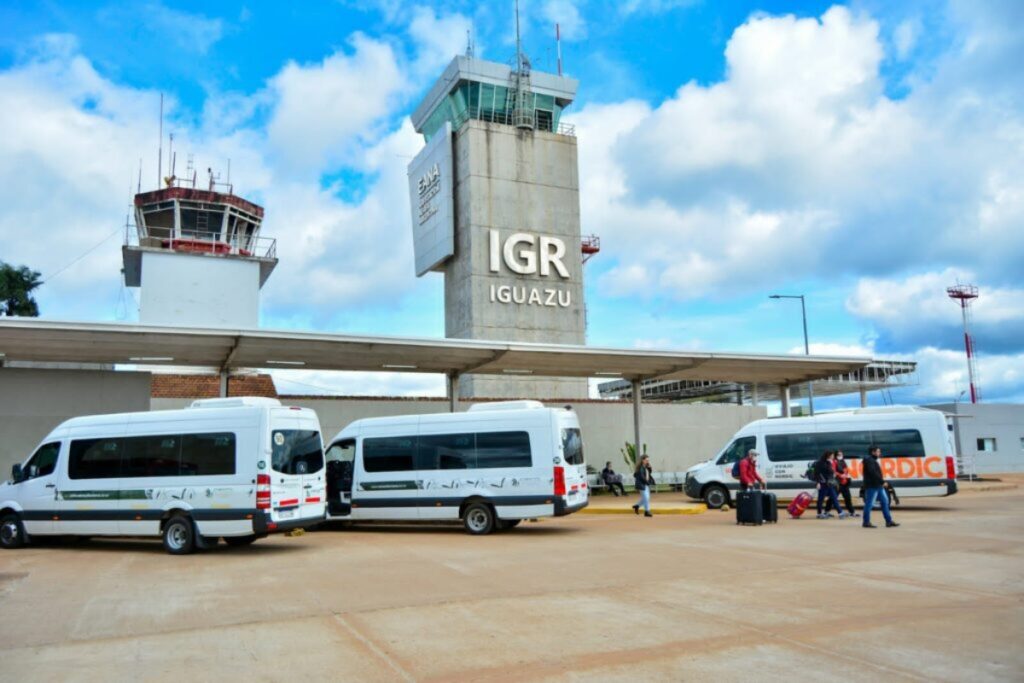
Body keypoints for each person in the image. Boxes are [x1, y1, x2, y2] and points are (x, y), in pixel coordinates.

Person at [862, 445, 900, 529]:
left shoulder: (872, 460)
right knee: (869, 504)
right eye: (878, 451)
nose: (880, 453)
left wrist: (881, 482)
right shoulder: (869, 460)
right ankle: (866, 522)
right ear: (873, 452)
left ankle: (889, 521)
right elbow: (873, 473)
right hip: (872, 485)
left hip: (878, 485)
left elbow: (875, 473)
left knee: (885, 502)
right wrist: (882, 481)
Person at [814, 451, 848, 519]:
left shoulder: (829, 462)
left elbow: (831, 472)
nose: (833, 457)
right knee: (821, 499)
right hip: (823, 484)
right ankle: (819, 513)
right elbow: (816, 474)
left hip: (830, 483)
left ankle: (840, 512)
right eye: (832, 456)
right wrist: (817, 483)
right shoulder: (820, 463)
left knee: (834, 498)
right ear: (828, 456)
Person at [824, 450, 859, 517]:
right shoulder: (834, 462)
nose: (840, 456)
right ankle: (826, 511)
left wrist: (845, 474)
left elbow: (846, 469)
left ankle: (852, 512)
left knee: (848, 497)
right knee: (832, 498)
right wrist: (840, 475)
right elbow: (833, 471)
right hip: (837, 483)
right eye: (838, 455)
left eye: (841, 454)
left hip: (844, 482)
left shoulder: (843, 461)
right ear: (835, 455)